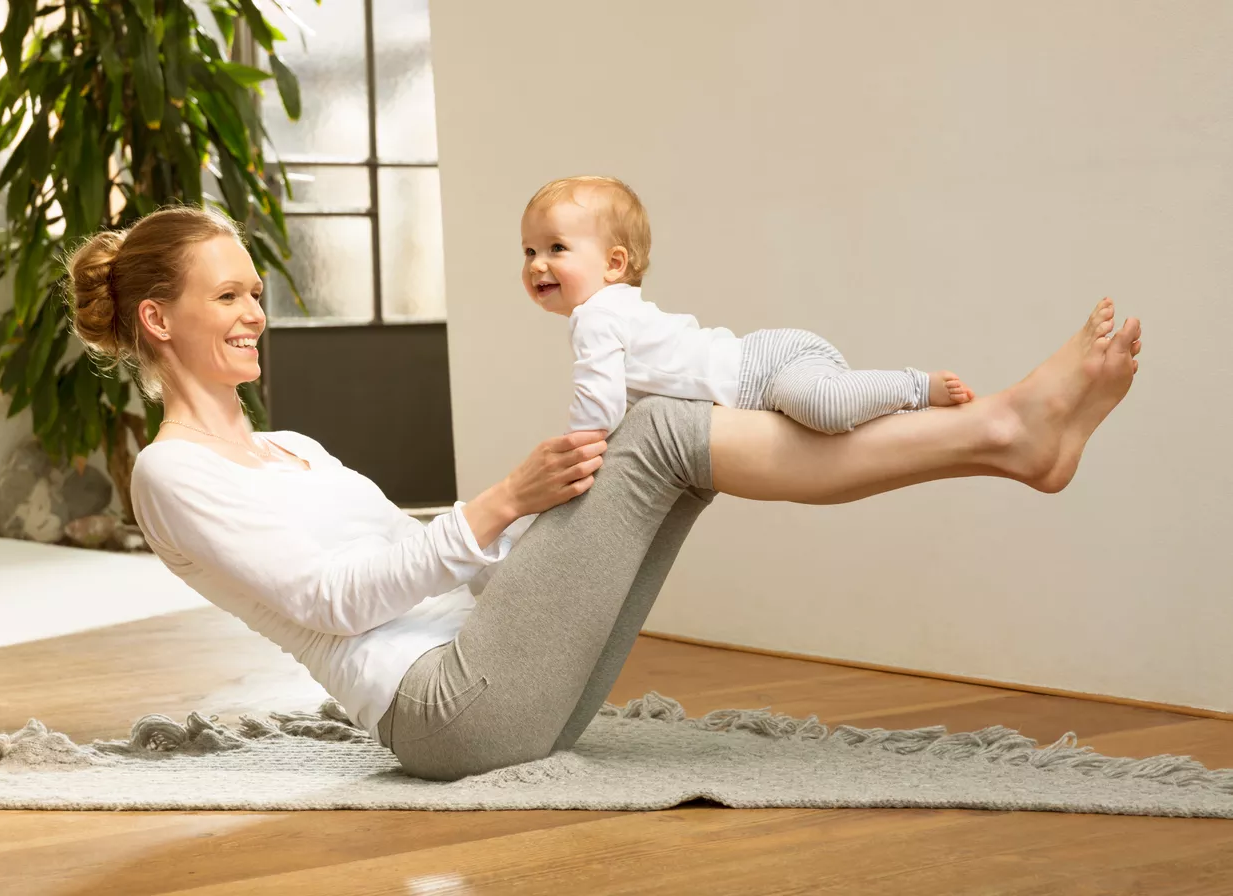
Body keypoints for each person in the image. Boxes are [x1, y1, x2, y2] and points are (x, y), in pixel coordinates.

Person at [68, 204, 1141, 782]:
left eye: (257, 291)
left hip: (502, 671)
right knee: (664, 428)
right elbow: (335, 601)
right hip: (447, 713)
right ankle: (1001, 428)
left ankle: (1003, 441)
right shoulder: (172, 474)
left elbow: (436, 557)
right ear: (159, 320)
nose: (256, 311)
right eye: (229, 295)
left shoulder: (293, 446)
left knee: (668, 443)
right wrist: (498, 502)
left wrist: (522, 509)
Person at [522, 175, 978, 436]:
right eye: (529, 252)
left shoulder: (595, 317)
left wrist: (573, 449)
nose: (538, 264)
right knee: (831, 427)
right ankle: (897, 405)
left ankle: (916, 387)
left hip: (764, 370)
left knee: (825, 410)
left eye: (556, 248)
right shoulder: (616, 310)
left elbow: (598, 408)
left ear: (613, 263)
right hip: (766, 364)